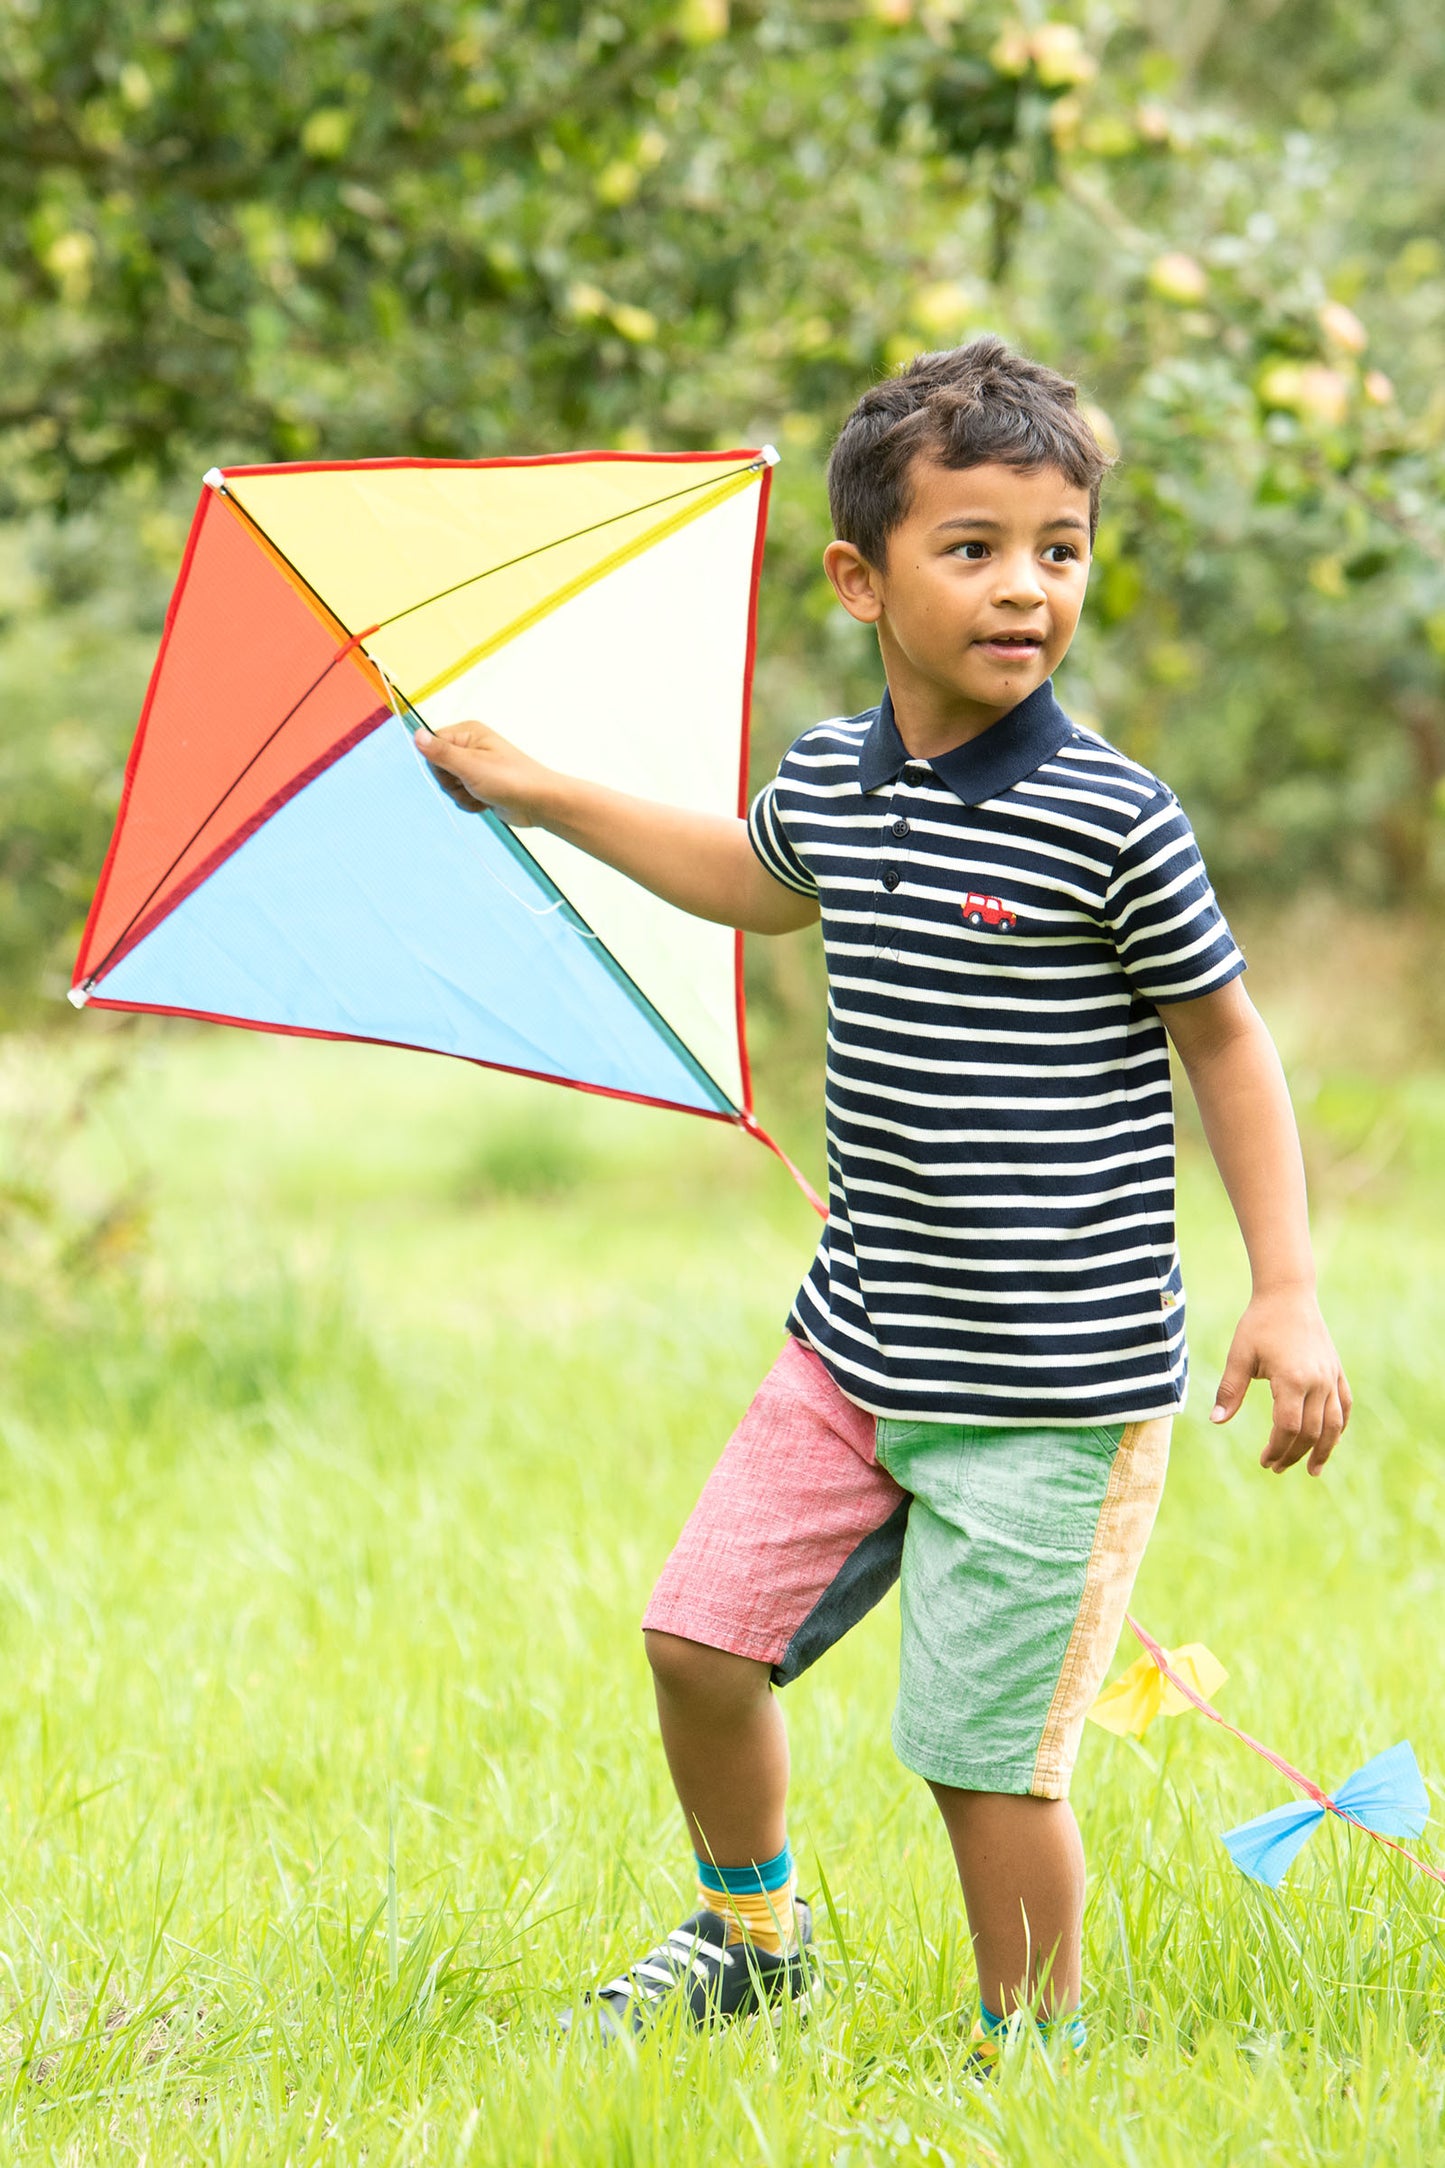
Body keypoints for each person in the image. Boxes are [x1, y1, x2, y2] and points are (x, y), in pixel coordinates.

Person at [413, 338, 1351, 2057]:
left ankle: (1030, 2053)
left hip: (1047, 1399)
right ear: (861, 577)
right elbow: (752, 880)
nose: (1025, 588)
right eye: (972, 547)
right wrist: (536, 790)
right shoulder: (837, 778)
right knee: (697, 1644)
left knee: (981, 1759)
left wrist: (1281, 1287)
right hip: (854, 1353)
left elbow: (1225, 1041)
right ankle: (754, 1937)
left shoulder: (1110, 820)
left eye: (1058, 549)